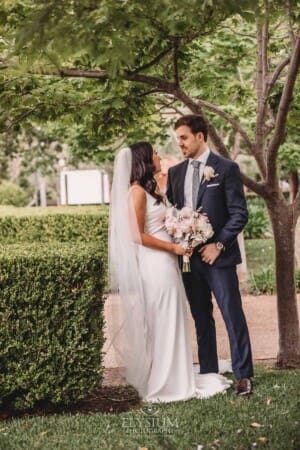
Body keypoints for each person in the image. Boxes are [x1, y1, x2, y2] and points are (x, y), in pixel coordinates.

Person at [109, 142, 232, 403]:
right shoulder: (136, 193)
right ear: (144, 160)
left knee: (172, 317)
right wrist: (173, 246)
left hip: (167, 262)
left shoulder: (150, 190)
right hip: (155, 264)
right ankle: (165, 383)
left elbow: (165, 222)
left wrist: (185, 230)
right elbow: (136, 235)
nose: (159, 156)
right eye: (154, 153)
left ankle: (177, 375)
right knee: (163, 320)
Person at [166, 115, 254, 396]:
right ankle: (207, 373)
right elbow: (175, 212)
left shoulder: (226, 168)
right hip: (189, 259)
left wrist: (219, 245)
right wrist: (181, 238)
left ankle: (244, 375)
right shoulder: (176, 173)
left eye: (184, 137)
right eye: (178, 138)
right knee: (201, 317)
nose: (179, 143)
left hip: (219, 258)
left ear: (200, 137)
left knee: (232, 314)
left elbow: (239, 213)